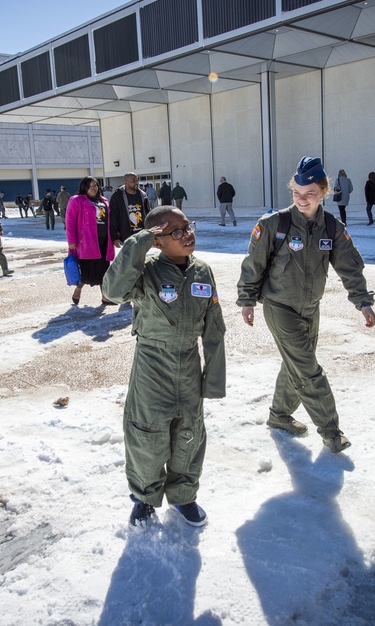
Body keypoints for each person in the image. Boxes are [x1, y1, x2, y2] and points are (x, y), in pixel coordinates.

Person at [236, 156, 375, 454]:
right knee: (309, 370)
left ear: (324, 192)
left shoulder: (332, 227)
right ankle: (331, 431)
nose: (302, 200)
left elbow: (349, 266)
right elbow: (253, 265)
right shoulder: (274, 224)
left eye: (309, 194)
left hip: (311, 308)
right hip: (279, 307)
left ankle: (279, 415)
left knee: (296, 365)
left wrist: (363, 301)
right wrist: (247, 300)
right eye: (297, 194)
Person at [102, 204, 226, 527]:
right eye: (178, 232)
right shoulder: (146, 271)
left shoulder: (203, 272)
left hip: (188, 364)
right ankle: (144, 497)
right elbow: (111, 291)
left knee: (190, 432)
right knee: (148, 434)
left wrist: (212, 380)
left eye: (189, 226)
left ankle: (184, 495)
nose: (188, 235)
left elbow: (214, 327)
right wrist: (138, 243)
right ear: (157, 241)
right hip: (152, 365)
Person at [65, 177, 116, 306]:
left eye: (95, 185)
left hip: (104, 242)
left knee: (104, 270)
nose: (93, 188)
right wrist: (72, 241)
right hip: (86, 242)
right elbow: (70, 221)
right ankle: (78, 290)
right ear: (84, 188)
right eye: (90, 186)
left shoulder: (103, 200)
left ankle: (105, 297)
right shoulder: (77, 200)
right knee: (85, 272)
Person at [109, 172, 150, 248]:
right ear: (126, 182)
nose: (136, 182)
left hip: (141, 234)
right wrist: (115, 237)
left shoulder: (142, 195)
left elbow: (147, 214)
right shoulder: (117, 196)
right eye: (133, 181)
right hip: (126, 236)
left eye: (137, 180)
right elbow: (113, 217)